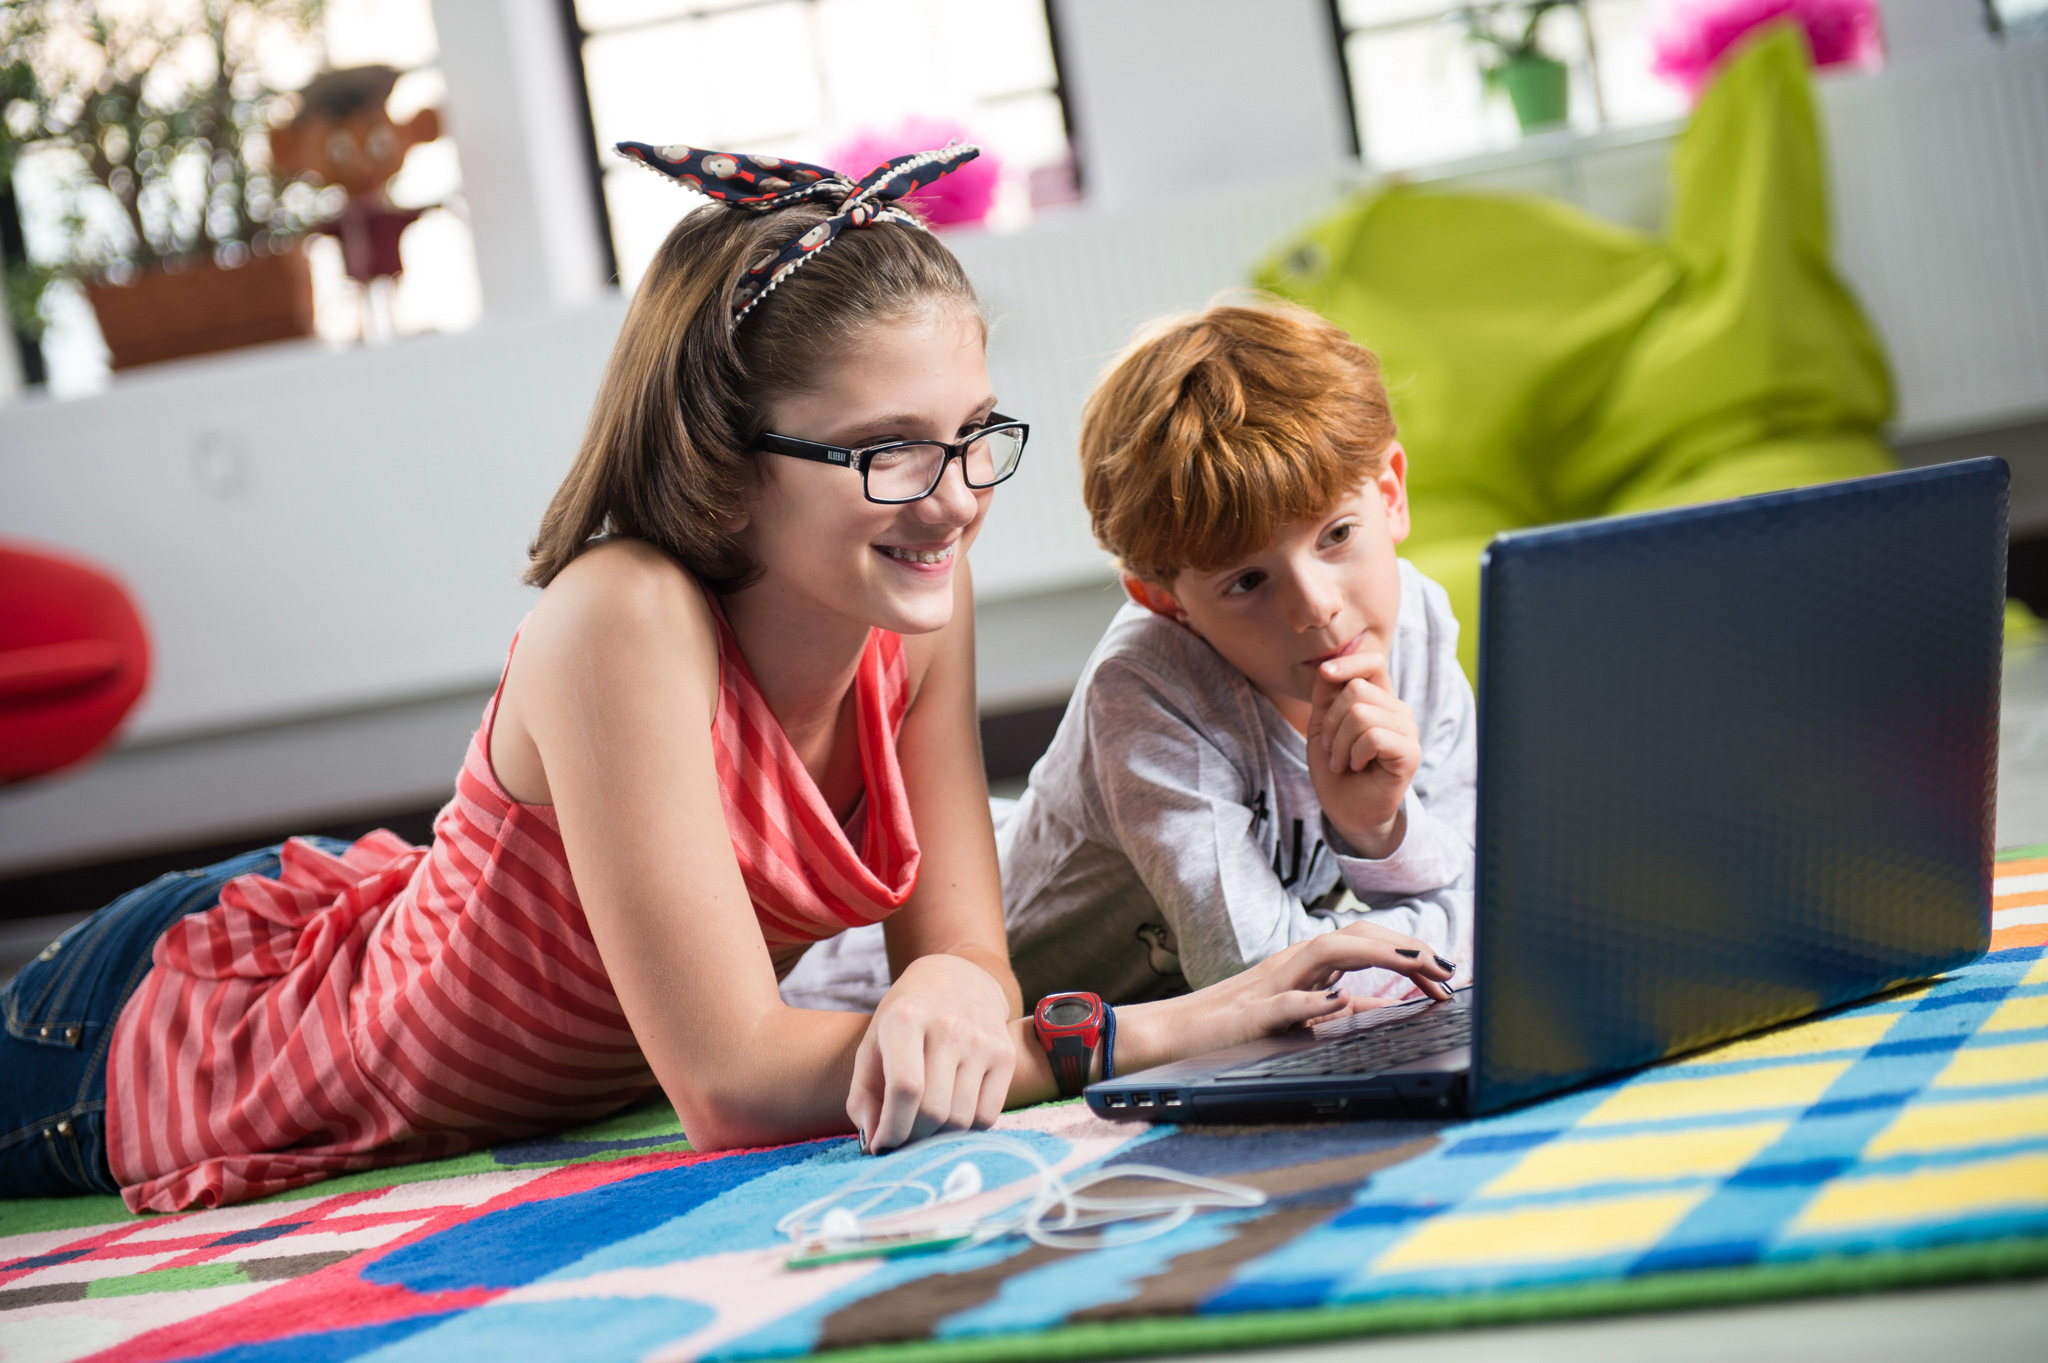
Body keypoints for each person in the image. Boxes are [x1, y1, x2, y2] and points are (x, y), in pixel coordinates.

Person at [1, 148, 1454, 1214]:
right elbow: (735, 1084)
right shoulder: (622, 616)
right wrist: (1164, 1028)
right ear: (724, 464)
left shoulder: (914, 610)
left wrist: (952, 998)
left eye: (971, 435)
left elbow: (962, 957)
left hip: (352, 908)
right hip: (161, 1034)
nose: (955, 498)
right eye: (887, 451)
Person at [996, 299, 1475, 1007]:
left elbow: (1486, 889)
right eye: (1247, 580)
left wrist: (1376, 829)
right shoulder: (1144, 690)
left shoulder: (1417, 626)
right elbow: (1256, 978)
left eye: (1338, 534)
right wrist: (1446, 933)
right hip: (904, 994)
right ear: (1166, 600)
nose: (1316, 606)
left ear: (1391, 495)